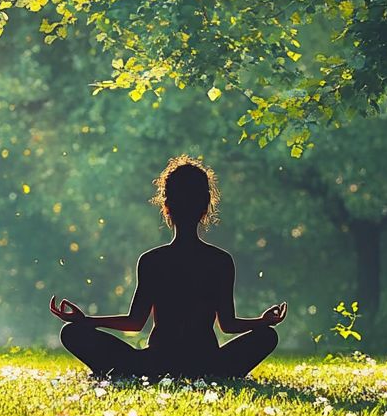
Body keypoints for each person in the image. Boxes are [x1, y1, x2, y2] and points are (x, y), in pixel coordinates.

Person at [50, 155, 285, 379]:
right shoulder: (220, 261)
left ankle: (128, 371)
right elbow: (229, 325)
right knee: (266, 337)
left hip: (156, 363)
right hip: (207, 363)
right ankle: (215, 373)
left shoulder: (152, 261)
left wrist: (86, 321)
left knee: (72, 334)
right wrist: (263, 322)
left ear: (167, 207)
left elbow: (135, 322)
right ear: (205, 208)